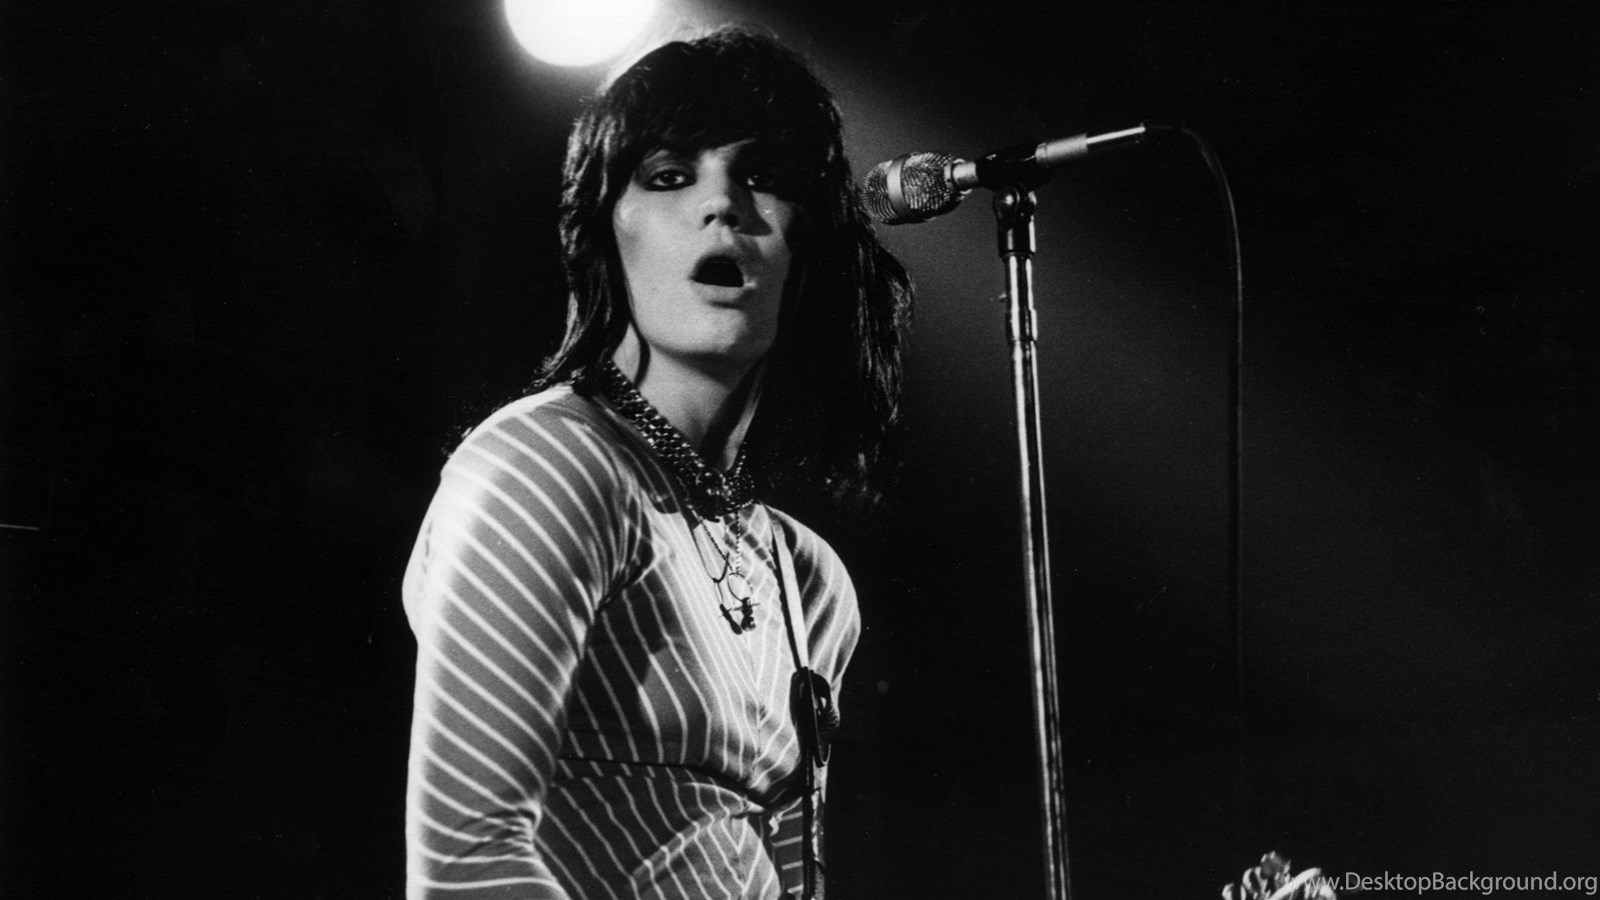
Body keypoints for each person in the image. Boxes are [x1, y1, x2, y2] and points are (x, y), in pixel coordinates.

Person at [401, 27, 913, 899]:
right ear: (608, 230)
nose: (723, 206)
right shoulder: (544, 466)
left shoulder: (811, 581)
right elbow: (465, 864)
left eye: (763, 176)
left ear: (810, 240)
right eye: (671, 176)